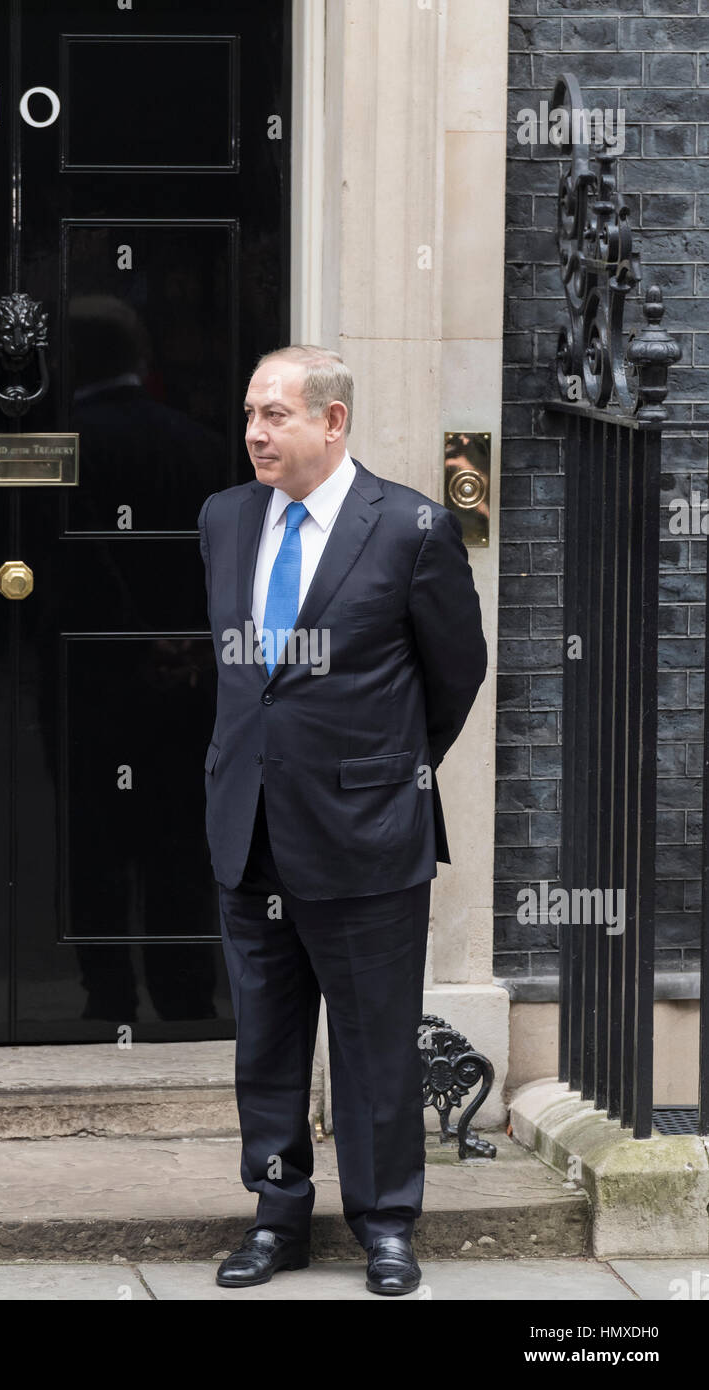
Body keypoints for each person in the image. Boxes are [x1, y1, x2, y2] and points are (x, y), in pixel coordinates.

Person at [197, 345, 487, 1295]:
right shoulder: (226, 518)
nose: (254, 432)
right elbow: (248, 675)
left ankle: (386, 1224)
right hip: (253, 826)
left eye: (274, 414)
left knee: (372, 1040)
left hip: (366, 832)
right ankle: (278, 1217)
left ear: (332, 421)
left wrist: (384, 774)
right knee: (267, 1041)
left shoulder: (410, 526)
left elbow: (455, 675)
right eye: (249, 414)